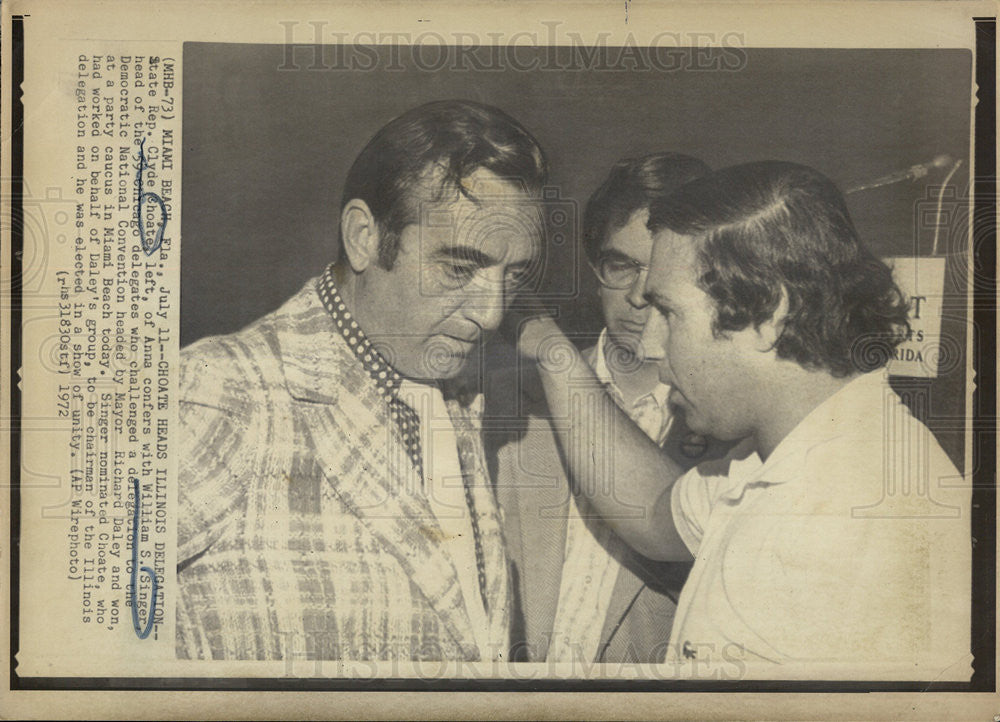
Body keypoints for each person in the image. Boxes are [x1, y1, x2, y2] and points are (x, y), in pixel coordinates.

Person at [514, 161, 971, 674]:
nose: (648, 343)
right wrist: (556, 353)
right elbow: (656, 514)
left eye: (669, 313)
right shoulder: (777, 455)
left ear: (767, 315)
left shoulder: (868, 520)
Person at [175, 100, 548, 661]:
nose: (492, 313)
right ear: (363, 237)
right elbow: (65, 629)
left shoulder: (456, 389)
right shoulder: (220, 388)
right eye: (458, 268)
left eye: (513, 275)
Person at [487, 153, 730, 664]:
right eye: (622, 265)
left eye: (667, 270)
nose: (641, 295)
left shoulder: (733, 431)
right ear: (595, 270)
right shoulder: (505, 404)